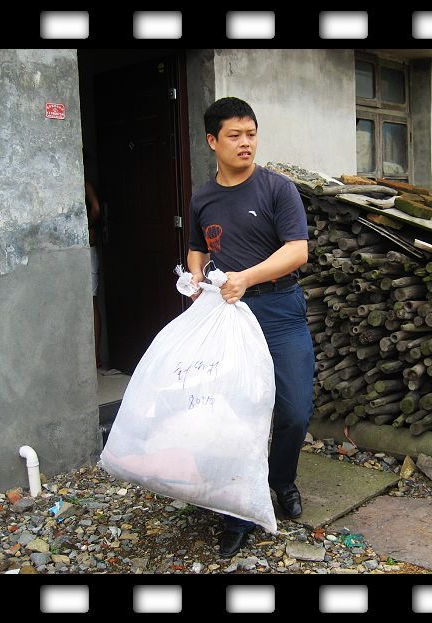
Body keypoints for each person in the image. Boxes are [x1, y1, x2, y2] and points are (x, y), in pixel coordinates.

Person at [187, 97, 314, 558]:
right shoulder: (203, 197)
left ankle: (280, 479)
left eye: (251, 134)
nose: (245, 143)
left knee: (295, 410)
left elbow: (297, 251)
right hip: (228, 315)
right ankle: (237, 513)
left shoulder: (277, 189)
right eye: (235, 135)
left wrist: (247, 277)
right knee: (234, 415)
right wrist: (195, 277)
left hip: (280, 309)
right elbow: (198, 248)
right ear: (212, 141)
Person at [85, 178, 102, 368]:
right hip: (88, 248)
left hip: (87, 246)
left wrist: (87, 228)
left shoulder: (85, 183)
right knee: (91, 302)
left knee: (89, 302)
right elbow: (96, 208)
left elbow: (96, 208)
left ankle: (93, 357)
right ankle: (94, 357)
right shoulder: (84, 183)